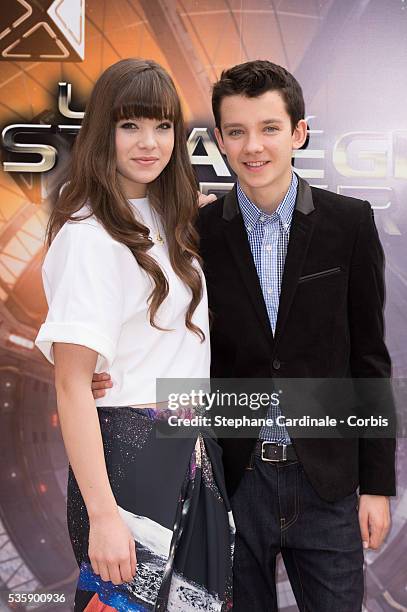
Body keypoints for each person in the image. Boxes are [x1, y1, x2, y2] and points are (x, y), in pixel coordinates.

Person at [92, 60, 396, 611]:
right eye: (237, 131)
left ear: (299, 132)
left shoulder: (349, 222)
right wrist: (109, 374)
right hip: (232, 479)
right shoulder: (195, 229)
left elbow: (370, 358)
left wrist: (377, 484)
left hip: (327, 481)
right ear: (220, 142)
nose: (254, 146)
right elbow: (163, 326)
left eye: (269, 128)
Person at [35, 58, 234, 612]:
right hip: (129, 460)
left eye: (163, 126)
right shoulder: (88, 235)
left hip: (195, 451)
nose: (149, 142)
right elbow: (72, 385)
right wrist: (103, 517)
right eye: (130, 126)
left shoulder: (173, 219)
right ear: (104, 131)